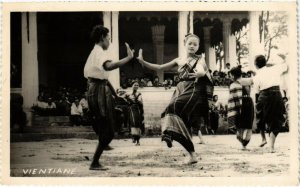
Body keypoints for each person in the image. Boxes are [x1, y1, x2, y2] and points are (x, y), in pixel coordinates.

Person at [137, 33, 213, 164]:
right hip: (180, 88)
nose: (192, 46)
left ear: (199, 46)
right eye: (190, 43)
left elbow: (201, 71)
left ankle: (169, 134)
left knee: (173, 107)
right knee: (176, 116)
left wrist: (199, 73)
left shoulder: (200, 59)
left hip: (193, 87)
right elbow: (160, 67)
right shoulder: (179, 60)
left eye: (195, 44)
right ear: (184, 44)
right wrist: (143, 62)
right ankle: (191, 154)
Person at [83, 25, 134, 170]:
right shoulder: (99, 52)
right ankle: (95, 161)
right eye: (109, 38)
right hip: (97, 90)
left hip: (99, 88)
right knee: (108, 128)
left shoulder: (96, 51)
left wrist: (115, 93)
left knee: (108, 122)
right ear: (102, 38)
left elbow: (104, 78)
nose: (110, 41)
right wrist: (128, 58)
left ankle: (103, 142)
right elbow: (109, 67)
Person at [253, 55, 288, 152]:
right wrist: (284, 58)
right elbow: (286, 66)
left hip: (264, 95)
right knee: (276, 119)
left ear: (256, 65)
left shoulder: (256, 76)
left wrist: (257, 104)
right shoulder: (274, 69)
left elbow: (256, 92)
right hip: (276, 93)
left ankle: (263, 138)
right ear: (265, 62)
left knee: (260, 117)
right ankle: (271, 145)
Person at [228, 66, 254, 150]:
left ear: (234, 75)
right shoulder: (247, 81)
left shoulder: (233, 85)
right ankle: (244, 144)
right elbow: (255, 79)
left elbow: (232, 99)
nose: (230, 77)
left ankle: (243, 143)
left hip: (240, 105)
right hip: (248, 102)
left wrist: (235, 109)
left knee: (240, 126)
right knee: (248, 125)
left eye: (231, 75)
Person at [125, 82, 145, 146]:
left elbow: (141, 103)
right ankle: (133, 137)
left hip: (137, 110)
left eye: (137, 85)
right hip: (131, 110)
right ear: (132, 85)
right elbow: (123, 99)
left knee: (137, 124)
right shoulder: (128, 94)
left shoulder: (139, 94)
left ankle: (138, 140)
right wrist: (128, 100)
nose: (136, 86)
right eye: (135, 85)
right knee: (132, 123)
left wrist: (137, 101)